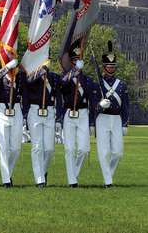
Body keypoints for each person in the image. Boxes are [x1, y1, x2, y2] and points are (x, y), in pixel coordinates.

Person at [60, 46, 98, 188]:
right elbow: (61, 85)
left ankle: (74, 173)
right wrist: (73, 73)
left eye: (79, 60)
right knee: (69, 149)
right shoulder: (66, 77)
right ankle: (72, 181)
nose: (77, 62)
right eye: (74, 60)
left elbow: (92, 101)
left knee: (83, 149)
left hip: (83, 114)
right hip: (69, 114)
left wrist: (92, 122)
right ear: (71, 62)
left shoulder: (87, 80)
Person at [92, 42, 129, 188]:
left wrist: (125, 123)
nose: (111, 68)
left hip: (117, 119)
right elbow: (93, 105)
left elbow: (126, 105)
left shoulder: (121, 84)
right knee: (104, 151)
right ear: (104, 67)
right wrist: (100, 106)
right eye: (109, 66)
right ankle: (108, 181)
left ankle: (109, 175)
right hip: (103, 118)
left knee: (118, 153)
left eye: (113, 66)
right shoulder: (98, 84)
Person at [23, 65, 62, 187]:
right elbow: (27, 85)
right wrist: (39, 73)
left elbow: (59, 97)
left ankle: (43, 171)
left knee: (49, 149)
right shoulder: (31, 76)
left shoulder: (54, 77)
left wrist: (59, 117)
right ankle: (39, 179)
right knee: (37, 147)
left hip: (50, 111)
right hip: (34, 111)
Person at [0, 59, 22, 188]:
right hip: (2, 110)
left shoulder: (20, 76)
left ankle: (8, 173)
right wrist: (6, 68)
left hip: (16, 110)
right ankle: (6, 180)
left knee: (15, 148)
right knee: (3, 147)